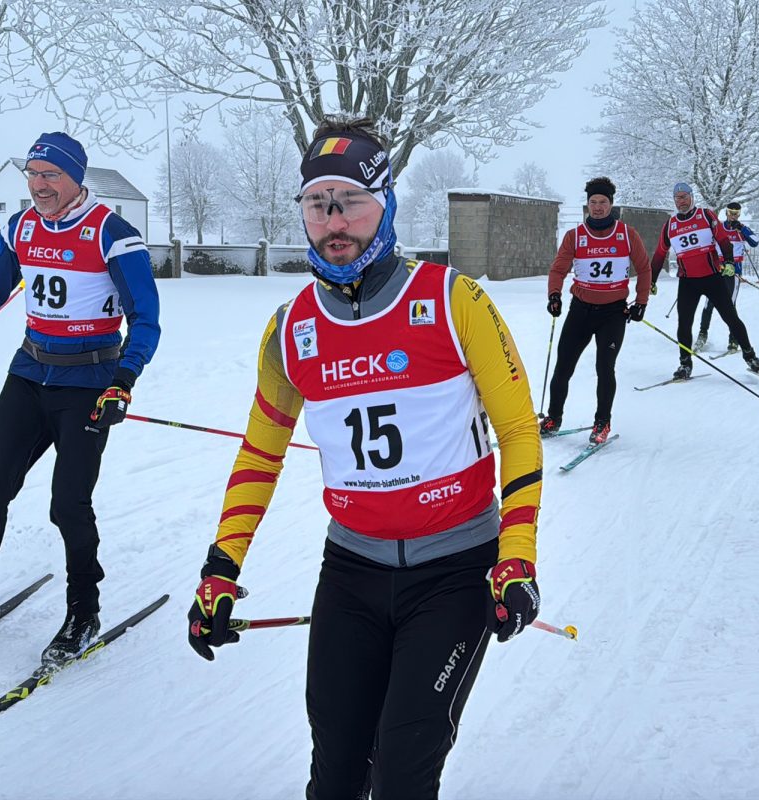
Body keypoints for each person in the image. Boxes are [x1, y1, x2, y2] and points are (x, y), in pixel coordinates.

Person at [184, 115, 543, 800]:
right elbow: (260, 453)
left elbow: (519, 431)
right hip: (350, 572)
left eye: (350, 199)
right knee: (337, 772)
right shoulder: (291, 330)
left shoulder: (450, 299)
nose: (333, 220)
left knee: (406, 770)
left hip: (455, 570)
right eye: (317, 204)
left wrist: (516, 553)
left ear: (386, 203)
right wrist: (221, 567)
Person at [0, 132, 161, 666]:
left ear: (76, 178)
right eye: (32, 174)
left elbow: (146, 316)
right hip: (29, 376)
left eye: (50, 175)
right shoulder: (21, 228)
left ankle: (83, 611)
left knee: (68, 505)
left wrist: (124, 379)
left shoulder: (113, 235)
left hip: (88, 385)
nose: (39, 185)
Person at [538, 176, 651, 444]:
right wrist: (554, 295)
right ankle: (554, 417)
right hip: (581, 311)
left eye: (603, 202)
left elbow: (644, 269)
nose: (598, 207)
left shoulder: (626, 234)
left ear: (611, 204)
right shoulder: (575, 236)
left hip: (613, 313)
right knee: (563, 367)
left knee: (605, 368)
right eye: (593, 202)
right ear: (587, 205)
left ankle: (602, 422)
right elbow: (558, 269)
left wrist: (641, 302)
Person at [650, 183, 759, 379]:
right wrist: (651, 280)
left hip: (712, 278)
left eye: (684, 196)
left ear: (692, 197)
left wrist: (728, 261)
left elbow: (722, 240)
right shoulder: (670, 225)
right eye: (677, 198)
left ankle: (750, 356)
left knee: (731, 317)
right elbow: (660, 254)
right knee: (684, 324)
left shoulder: (705, 215)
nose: (681, 201)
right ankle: (685, 364)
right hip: (688, 282)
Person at [694, 201, 756, 352]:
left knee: (730, 305)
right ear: (726, 212)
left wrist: (742, 229)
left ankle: (733, 339)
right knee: (709, 304)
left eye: (736, 213)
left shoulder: (742, 229)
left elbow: (755, 242)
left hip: (733, 272)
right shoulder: (719, 227)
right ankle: (702, 335)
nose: (733, 216)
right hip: (717, 269)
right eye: (730, 212)